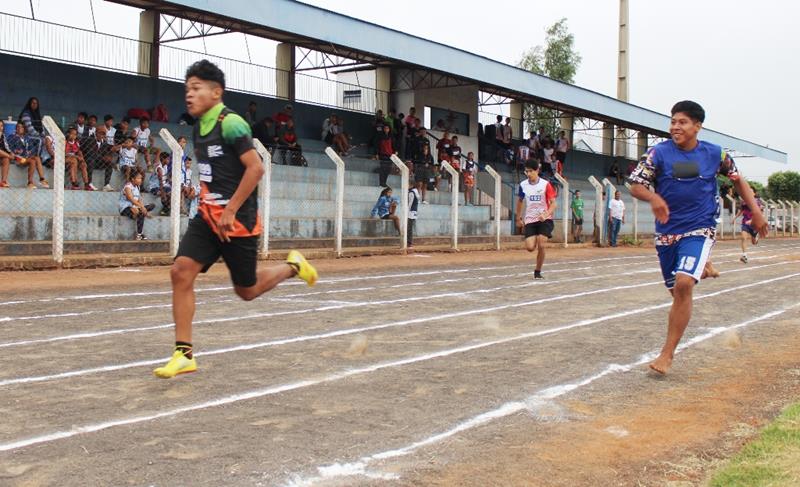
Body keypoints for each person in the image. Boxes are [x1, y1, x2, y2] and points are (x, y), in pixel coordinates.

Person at [154, 60, 318, 379]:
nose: (189, 94)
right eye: (187, 88)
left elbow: (256, 168)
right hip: (208, 217)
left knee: (247, 290)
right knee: (180, 272)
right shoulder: (198, 125)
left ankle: (293, 266)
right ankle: (183, 353)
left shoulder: (232, 124)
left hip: (237, 220)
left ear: (217, 93)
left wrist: (229, 210)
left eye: (196, 88)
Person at [628, 100, 768, 375]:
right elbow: (635, 185)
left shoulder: (715, 155)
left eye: (682, 122)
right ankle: (701, 266)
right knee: (676, 291)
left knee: (682, 286)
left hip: (700, 226)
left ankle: (666, 355)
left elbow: (738, 180)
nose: (675, 127)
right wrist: (653, 196)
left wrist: (756, 211)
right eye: (673, 121)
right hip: (667, 232)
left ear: (697, 126)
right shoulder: (658, 154)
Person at [515, 159, 557, 280]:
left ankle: (537, 271)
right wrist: (518, 218)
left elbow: (554, 204)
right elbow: (520, 201)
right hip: (530, 219)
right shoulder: (523, 185)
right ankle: (535, 249)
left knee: (542, 243)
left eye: (531, 171)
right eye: (526, 171)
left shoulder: (545, 184)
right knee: (530, 248)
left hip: (545, 219)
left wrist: (546, 214)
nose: (528, 174)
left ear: (537, 170)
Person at [8, 122, 49, 189]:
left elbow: (31, 148)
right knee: (32, 161)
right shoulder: (12, 137)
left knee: (37, 158)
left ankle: (42, 179)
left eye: (21, 127)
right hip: (17, 158)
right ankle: (30, 182)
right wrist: (16, 151)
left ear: (24, 129)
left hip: (26, 157)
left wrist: (30, 152)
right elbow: (10, 149)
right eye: (18, 127)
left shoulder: (27, 138)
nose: (19, 128)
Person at [119, 170, 155, 240]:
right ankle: (139, 235)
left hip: (135, 207)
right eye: (138, 178)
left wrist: (143, 208)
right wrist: (142, 208)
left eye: (141, 178)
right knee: (140, 212)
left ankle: (138, 213)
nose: (140, 180)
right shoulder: (128, 187)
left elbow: (139, 200)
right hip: (125, 208)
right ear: (133, 179)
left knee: (152, 205)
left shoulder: (137, 187)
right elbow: (131, 199)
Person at [733, 191, 765, 263]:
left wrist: (752, 220)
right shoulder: (744, 201)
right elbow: (741, 210)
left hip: (754, 224)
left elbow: (760, 211)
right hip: (745, 222)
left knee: (754, 242)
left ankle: (755, 237)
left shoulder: (757, 201)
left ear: (754, 193)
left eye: (751, 190)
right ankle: (744, 255)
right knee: (743, 238)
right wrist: (734, 218)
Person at [82, 126, 114, 191]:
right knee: (91, 160)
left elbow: (106, 151)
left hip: (98, 162)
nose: (103, 135)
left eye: (104, 134)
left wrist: (108, 156)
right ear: (96, 133)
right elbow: (90, 153)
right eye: (101, 133)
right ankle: (89, 183)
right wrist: (103, 158)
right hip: (88, 161)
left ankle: (106, 185)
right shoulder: (90, 139)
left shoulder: (103, 142)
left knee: (109, 163)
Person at [407, 183, 421, 248]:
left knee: (409, 228)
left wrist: (407, 211)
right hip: (414, 211)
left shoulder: (411, 192)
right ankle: (409, 242)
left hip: (410, 212)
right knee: (410, 228)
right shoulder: (416, 191)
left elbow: (410, 203)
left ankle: (409, 242)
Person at [0, 121, 12, 188]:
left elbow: (6, 146)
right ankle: (9, 157)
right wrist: (9, 155)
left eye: (1, 126)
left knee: (6, 159)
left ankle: (3, 181)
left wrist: (10, 153)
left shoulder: (3, 135)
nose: (0, 128)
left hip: (2, 155)